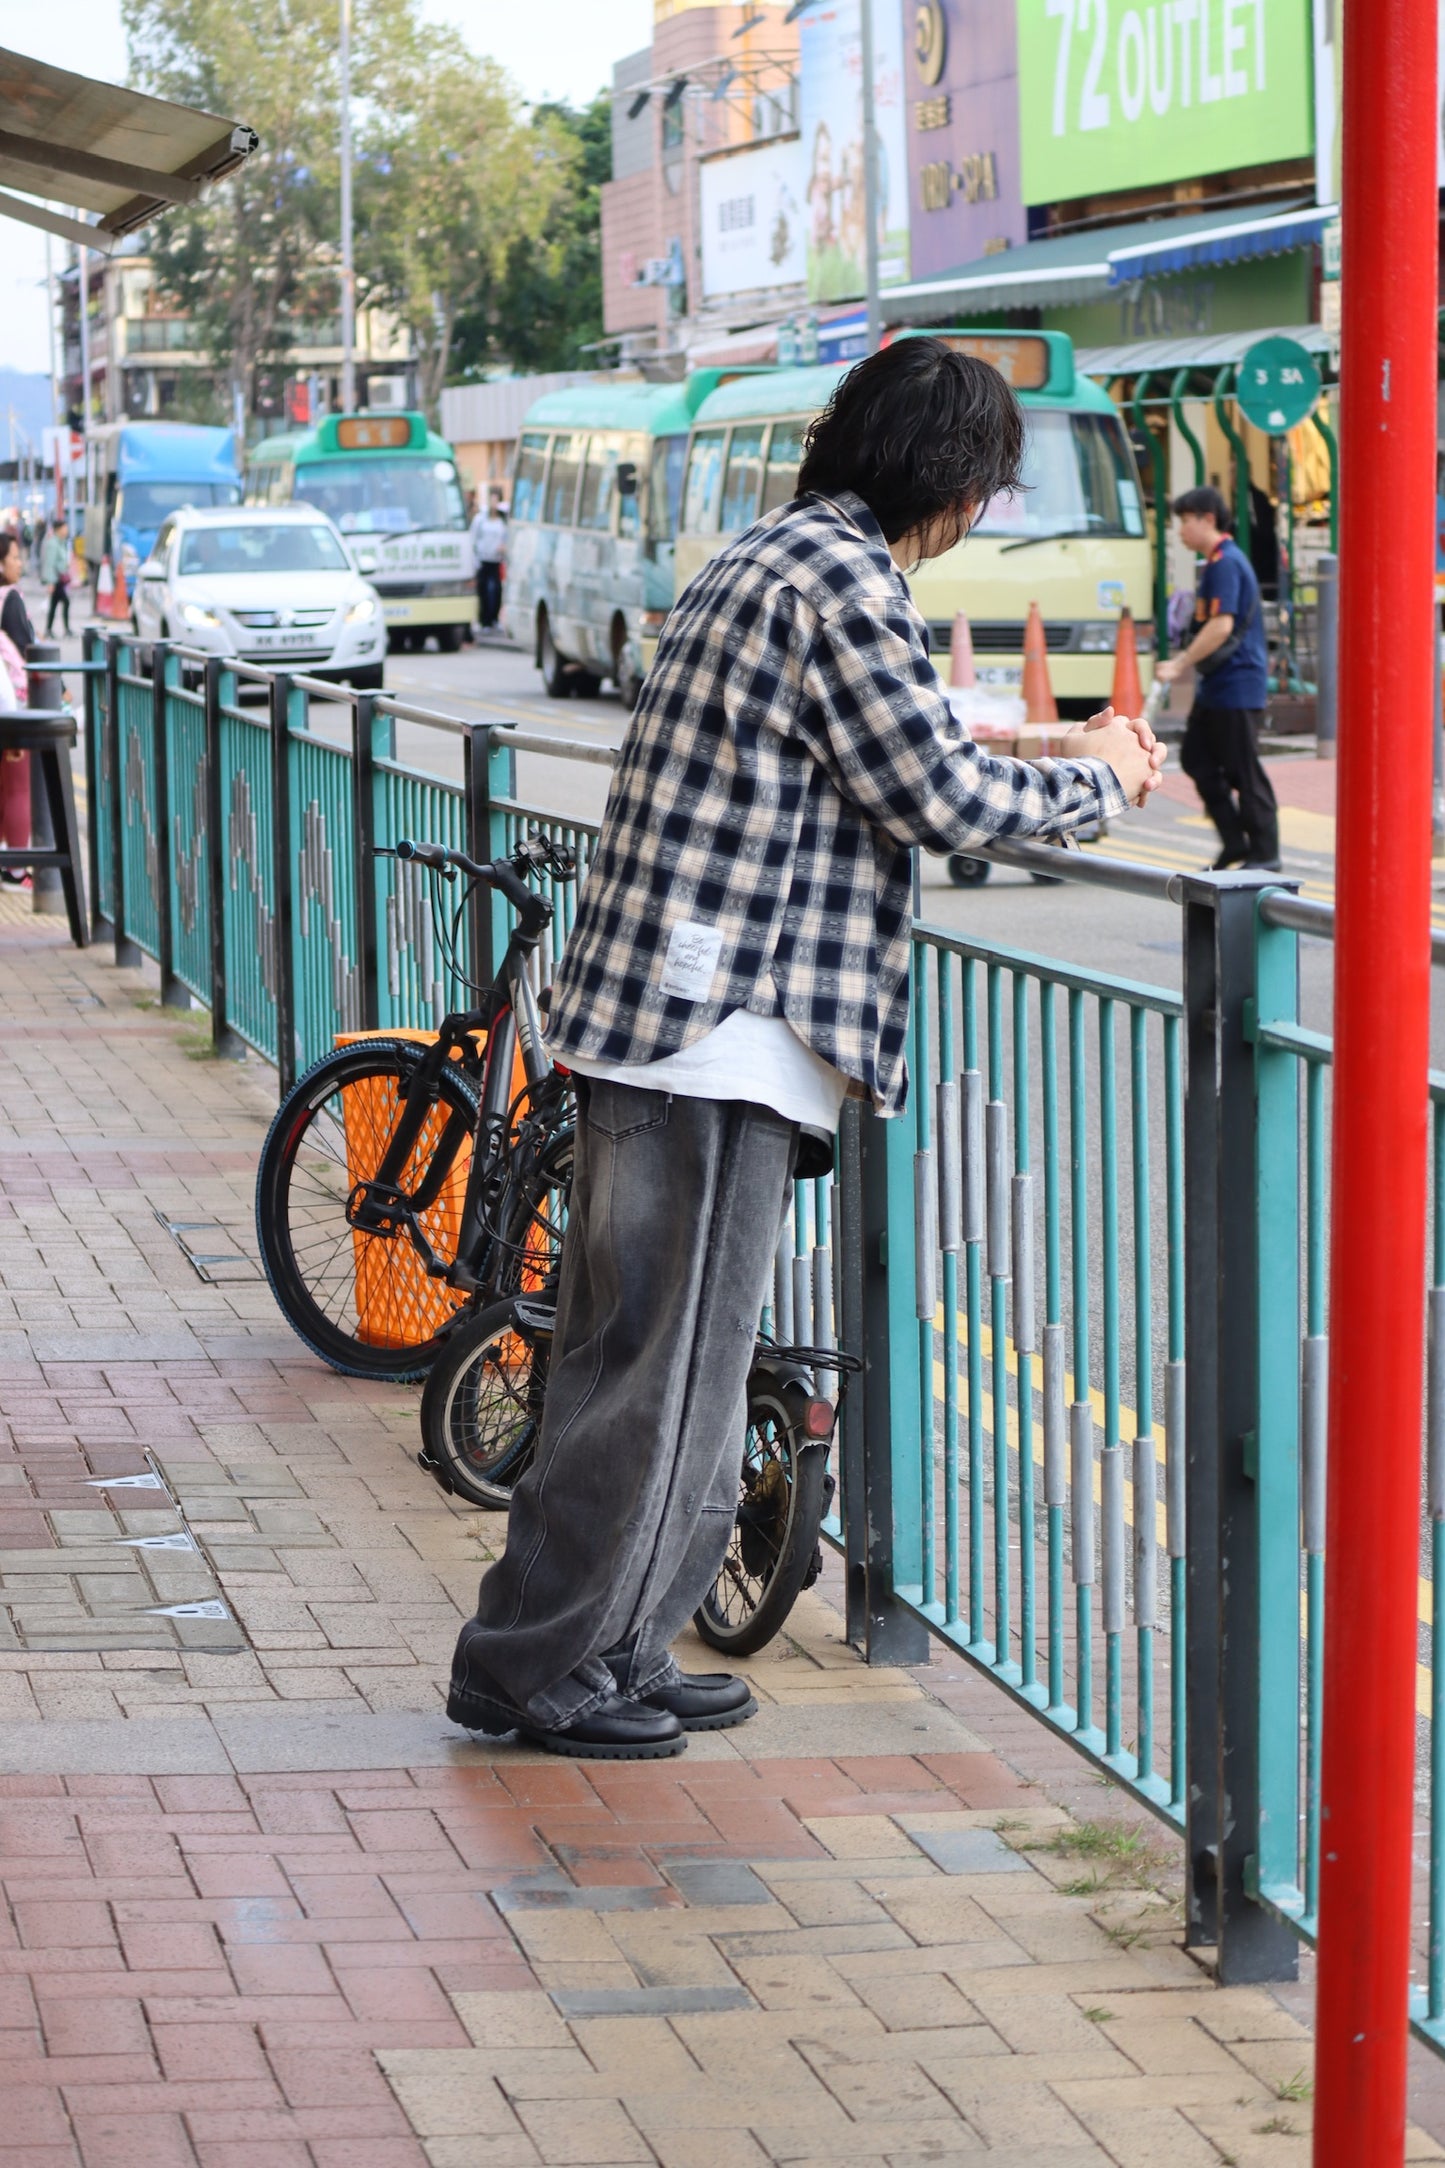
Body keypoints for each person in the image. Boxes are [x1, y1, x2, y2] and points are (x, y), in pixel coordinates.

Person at [446, 336, 1165, 1761]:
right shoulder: (844, 582)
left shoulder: (768, 555)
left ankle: (610, 1651)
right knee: (660, 1387)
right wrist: (1107, 778)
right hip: (718, 1041)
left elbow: (888, 744)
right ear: (951, 482)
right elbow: (937, 794)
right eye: (985, 487)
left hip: (667, 1028)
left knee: (634, 1373)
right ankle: (539, 1671)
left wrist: (1036, 735)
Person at [1155, 485, 1279, 870]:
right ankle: (1234, 840)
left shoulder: (1227, 562)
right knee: (1196, 757)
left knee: (1243, 768)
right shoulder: (1215, 563)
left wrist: (1179, 664)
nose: (1180, 531)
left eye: (1185, 521)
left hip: (1237, 685)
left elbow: (1221, 626)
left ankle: (1264, 852)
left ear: (1207, 519)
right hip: (1217, 687)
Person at [0, 532, 31, 878]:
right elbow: (27, 649)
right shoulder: (10, 599)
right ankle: (18, 869)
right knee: (20, 787)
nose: (19, 564)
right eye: (14, 558)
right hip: (12, 706)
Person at [469, 491, 506, 631]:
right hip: (483, 559)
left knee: (496, 590)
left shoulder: (502, 520)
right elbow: (473, 538)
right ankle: (484, 620)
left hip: (496, 559)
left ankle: (494, 618)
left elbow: (506, 538)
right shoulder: (480, 519)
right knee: (483, 590)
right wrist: (475, 558)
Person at [40, 515, 71, 638]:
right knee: (66, 602)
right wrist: (50, 582)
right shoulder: (53, 543)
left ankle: (49, 629)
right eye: (64, 528)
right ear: (58, 529)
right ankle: (65, 629)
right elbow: (49, 563)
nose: (66, 530)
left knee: (54, 605)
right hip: (55, 580)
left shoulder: (60, 542)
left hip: (59, 580)